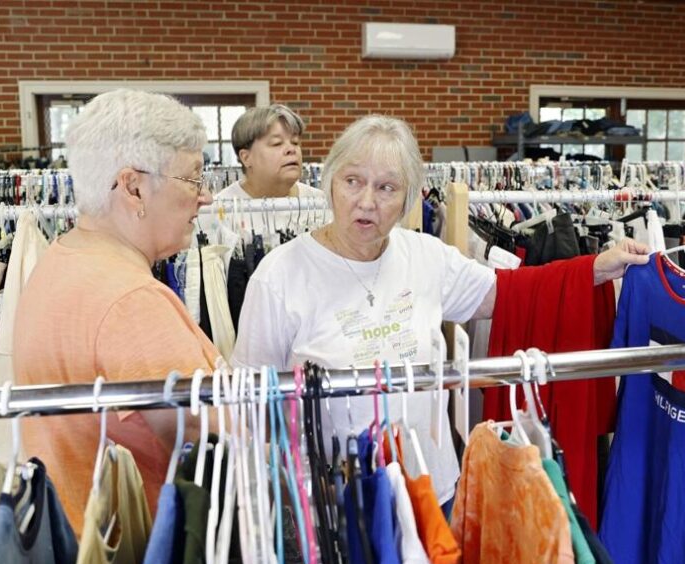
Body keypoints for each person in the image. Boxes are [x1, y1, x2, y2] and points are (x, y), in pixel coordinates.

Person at [232, 114, 649, 508]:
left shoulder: (426, 256)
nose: (366, 201)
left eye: (386, 188)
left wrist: (595, 268)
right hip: (334, 501)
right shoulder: (279, 274)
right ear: (329, 184)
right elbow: (251, 398)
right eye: (352, 181)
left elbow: (508, 293)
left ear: (408, 198)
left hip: (432, 488)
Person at [13, 89, 220, 531]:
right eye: (194, 179)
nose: (205, 198)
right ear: (134, 186)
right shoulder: (131, 302)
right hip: (138, 562)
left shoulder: (60, 259)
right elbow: (209, 449)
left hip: (79, 547)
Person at [214, 104, 323, 201]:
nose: (291, 149)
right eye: (277, 143)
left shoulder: (322, 203)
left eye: (295, 142)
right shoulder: (217, 210)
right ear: (246, 158)